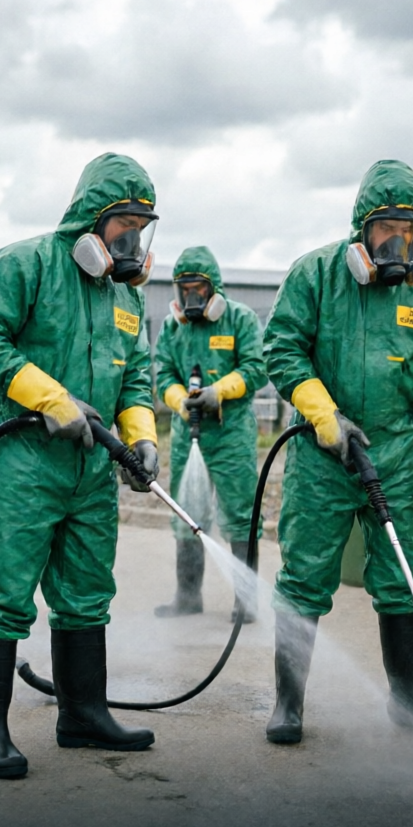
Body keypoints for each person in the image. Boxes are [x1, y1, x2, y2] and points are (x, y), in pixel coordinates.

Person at [0, 152, 163, 779]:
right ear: (91, 220)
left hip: (91, 472)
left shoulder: (125, 298)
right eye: (122, 223)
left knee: (87, 596)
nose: (131, 239)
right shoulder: (27, 265)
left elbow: (137, 377)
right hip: (24, 462)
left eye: (141, 227)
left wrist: (141, 437)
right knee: (4, 596)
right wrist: (52, 399)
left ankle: (82, 714)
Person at [261, 159, 413, 745]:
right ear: (362, 229)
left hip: (397, 453)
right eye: (387, 228)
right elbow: (283, 350)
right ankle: (288, 705)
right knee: (303, 577)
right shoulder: (316, 275)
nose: (398, 241)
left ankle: (409, 700)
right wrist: (327, 418)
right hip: (323, 452)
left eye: (410, 229)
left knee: (402, 577)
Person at [151, 246, 268, 621]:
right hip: (189, 435)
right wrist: (179, 400)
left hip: (230, 433)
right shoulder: (173, 329)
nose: (191, 297)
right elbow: (163, 373)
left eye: (198, 288)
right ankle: (188, 597)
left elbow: (256, 367)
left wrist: (220, 392)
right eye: (184, 289)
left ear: (213, 288)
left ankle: (245, 602)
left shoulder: (240, 320)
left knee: (240, 515)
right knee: (187, 514)